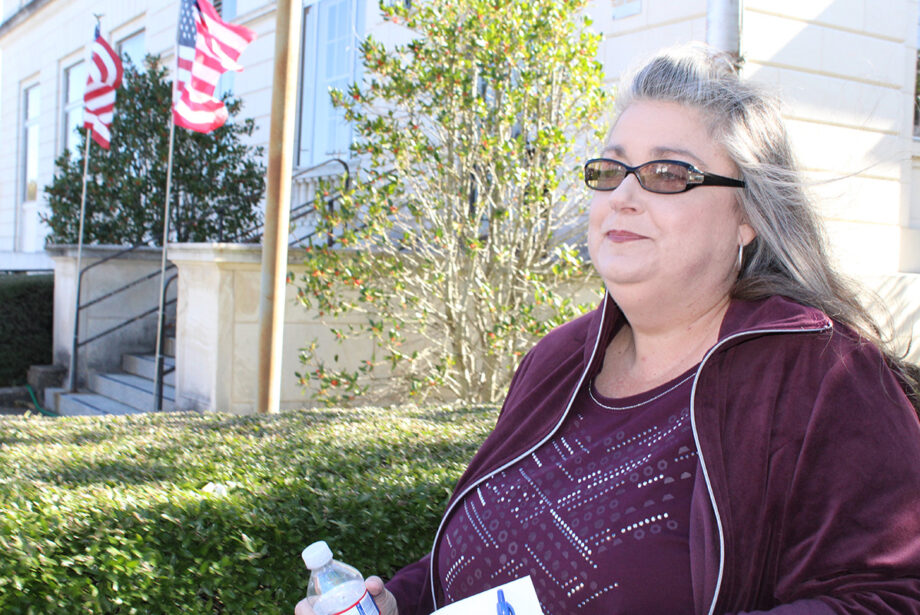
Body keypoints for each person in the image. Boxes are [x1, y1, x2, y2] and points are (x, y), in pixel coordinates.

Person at [296, 43, 920, 615]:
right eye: (609, 170)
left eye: (668, 175)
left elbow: (892, 596)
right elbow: (492, 561)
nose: (622, 195)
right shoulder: (559, 359)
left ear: (747, 218)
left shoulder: (823, 371)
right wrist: (397, 602)